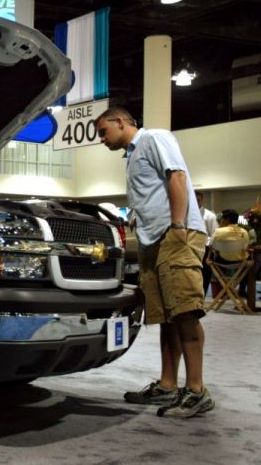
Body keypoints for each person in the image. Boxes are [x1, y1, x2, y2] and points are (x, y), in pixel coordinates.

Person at [95, 107, 214, 418]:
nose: (101, 139)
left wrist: (177, 226)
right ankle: (167, 384)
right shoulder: (133, 155)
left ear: (120, 122)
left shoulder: (155, 138)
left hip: (174, 236)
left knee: (185, 311)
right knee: (166, 315)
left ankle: (197, 390)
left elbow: (176, 175)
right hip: (153, 241)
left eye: (103, 131)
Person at [196, 191, 218, 295]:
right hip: (189, 248)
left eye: (198, 200)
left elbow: (214, 234)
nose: (196, 202)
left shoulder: (209, 216)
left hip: (205, 249)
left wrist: (205, 243)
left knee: (204, 275)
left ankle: (202, 297)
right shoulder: (185, 214)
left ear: (202, 200)